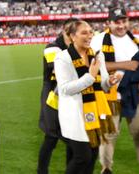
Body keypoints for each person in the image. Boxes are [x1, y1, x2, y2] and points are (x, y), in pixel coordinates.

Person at [54, 19, 119, 174]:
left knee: (92, 156)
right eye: (84, 32)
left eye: (91, 32)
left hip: (94, 114)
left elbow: (102, 85)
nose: (89, 35)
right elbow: (64, 89)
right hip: (74, 117)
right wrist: (89, 76)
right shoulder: (63, 58)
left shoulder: (97, 55)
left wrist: (109, 82)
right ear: (72, 36)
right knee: (82, 157)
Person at [91, 7, 139, 174]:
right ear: (109, 23)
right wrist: (127, 65)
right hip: (109, 96)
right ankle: (106, 168)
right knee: (109, 136)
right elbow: (93, 66)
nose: (121, 26)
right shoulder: (98, 40)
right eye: (117, 22)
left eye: (124, 21)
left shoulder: (136, 40)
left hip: (134, 95)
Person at [38, 18, 77, 174]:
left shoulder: (76, 47)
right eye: (69, 31)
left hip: (70, 95)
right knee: (51, 137)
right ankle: (42, 171)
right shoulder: (51, 48)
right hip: (52, 96)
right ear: (63, 30)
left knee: (72, 138)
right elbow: (61, 70)